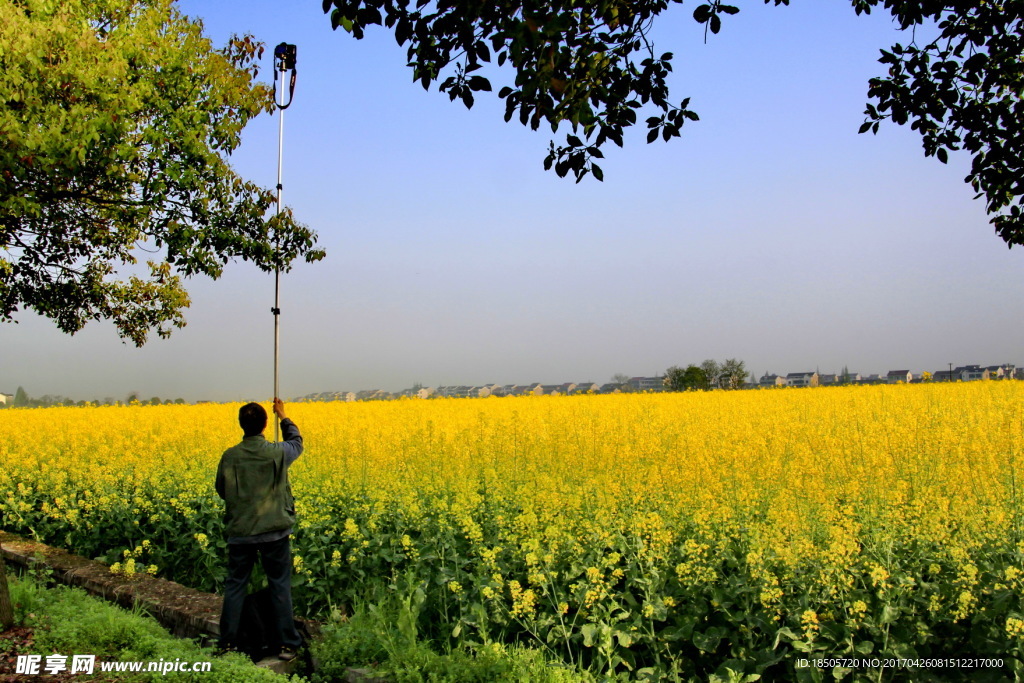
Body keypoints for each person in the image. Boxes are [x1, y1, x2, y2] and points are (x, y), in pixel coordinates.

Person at [216, 398, 304, 660]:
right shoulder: (277, 452)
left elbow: (222, 490)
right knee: (279, 584)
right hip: (274, 531)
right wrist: (284, 416)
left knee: (235, 585)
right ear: (265, 424)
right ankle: (287, 644)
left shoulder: (230, 456)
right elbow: (297, 443)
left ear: (241, 424)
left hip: (241, 532)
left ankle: (227, 644)